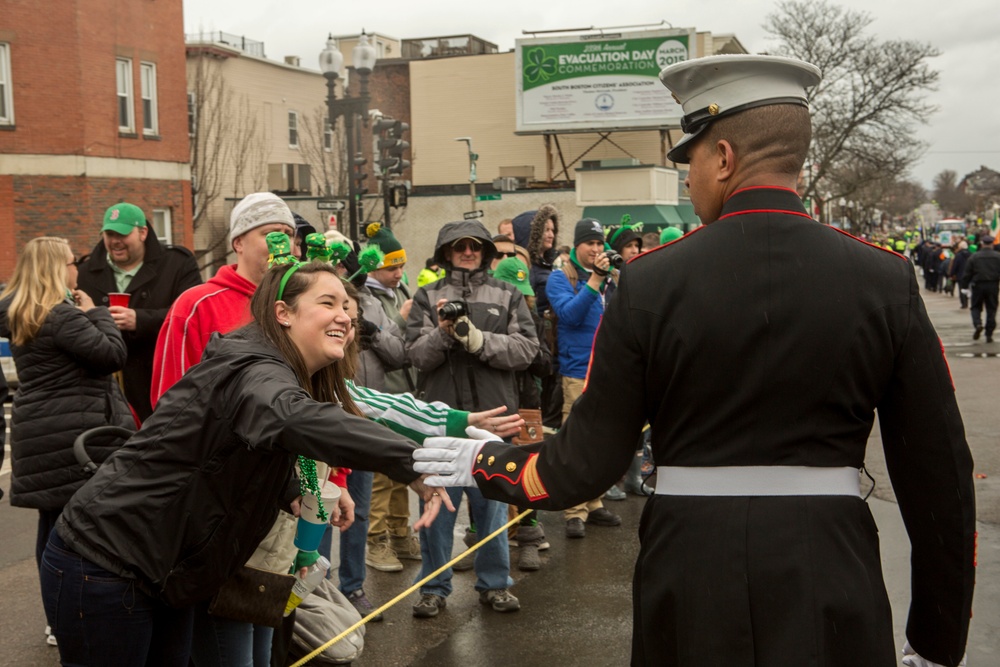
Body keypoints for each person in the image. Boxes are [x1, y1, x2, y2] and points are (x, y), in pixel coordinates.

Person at [414, 55, 975, 667]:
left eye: (693, 160)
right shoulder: (884, 278)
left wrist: (487, 462)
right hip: (830, 560)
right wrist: (936, 642)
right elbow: (939, 475)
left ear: (726, 158)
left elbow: (586, 462)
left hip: (690, 563)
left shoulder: (650, 282)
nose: (688, 180)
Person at [40, 258, 456, 665]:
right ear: (283, 314)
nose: (344, 317)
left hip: (169, 570)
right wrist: (411, 463)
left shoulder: (283, 369)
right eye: (327, 303)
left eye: (346, 307)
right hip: (105, 562)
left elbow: (241, 447)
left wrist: (295, 490)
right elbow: (294, 416)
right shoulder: (254, 368)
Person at [0, 237, 135, 649]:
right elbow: (112, 355)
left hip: (40, 430)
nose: (78, 266)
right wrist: (96, 311)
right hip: (74, 434)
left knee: (52, 524)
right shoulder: (61, 316)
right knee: (79, 528)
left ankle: (54, 617)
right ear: (58, 268)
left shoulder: (19, 312)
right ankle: (67, 616)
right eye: (72, 261)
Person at [405, 220, 539, 617]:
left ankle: (496, 583)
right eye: (459, 246)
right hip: (440, 422)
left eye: (475, 246)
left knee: (493, 507)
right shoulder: (428, 296)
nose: (467, 252)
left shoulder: (509, 294)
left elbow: (527, 349)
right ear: (446, 251)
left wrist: (480, 341)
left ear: (485, 251)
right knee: (437, 508)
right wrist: (445, 333)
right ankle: (434, 586)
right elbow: (415, 355)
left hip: (493, 421)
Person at [76, 202, 202, 421]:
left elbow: (193, 315)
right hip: (103, 388)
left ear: (143, 232)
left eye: (122, 234)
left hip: (160, 381)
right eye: (109, 234)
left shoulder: (177, 264)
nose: (115, 241)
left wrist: (140, 320)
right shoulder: (84, 272)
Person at [546, 217, 623, 532]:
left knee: (603, 442)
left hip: (608, 371)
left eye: (599, 243)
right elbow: (569, 315)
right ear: (577, 244)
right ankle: (574, 511)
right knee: (576, 443)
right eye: (589, 243)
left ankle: (594, 502)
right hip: (578, 372)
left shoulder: (610, 277)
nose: (595, 249)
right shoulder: (561, 277)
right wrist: (594, 280)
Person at [359, 222, 424, 573]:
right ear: (372, 267)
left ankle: (400, 531)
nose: (399, 273)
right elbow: (387, 343)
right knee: (382, 475)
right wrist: (400, 319)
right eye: (391, 267)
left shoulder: (399, 290)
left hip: (404, 393)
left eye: (401, 266)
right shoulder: (366, 297)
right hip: (382, 394)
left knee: (404, 465)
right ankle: (375, 539)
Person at [965, 234, 1000, 342]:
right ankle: (989, 333)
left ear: (982, 244)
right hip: (993, 285)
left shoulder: (974, 256)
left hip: (978, 286)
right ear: (992, 244)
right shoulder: (998, 256)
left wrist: (964, 286)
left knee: (975, 307)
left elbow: (967, 273)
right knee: (991, 309)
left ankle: (978, 324)